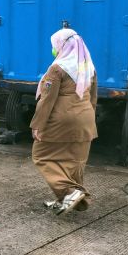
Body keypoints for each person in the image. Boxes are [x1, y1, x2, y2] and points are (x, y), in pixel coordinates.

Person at [30, 28, 97, 215]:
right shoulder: (89, 66)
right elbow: (93, 97)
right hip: (86, 117)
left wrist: (38, 125)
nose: (53, 48)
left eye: (55, 45)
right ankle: (73, 199)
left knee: (41, 154)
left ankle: (69, 192)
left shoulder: (57, 68)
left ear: (62, 45)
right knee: (75, 159)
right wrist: (89, 119)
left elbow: (47, 100)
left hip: (62, 119)